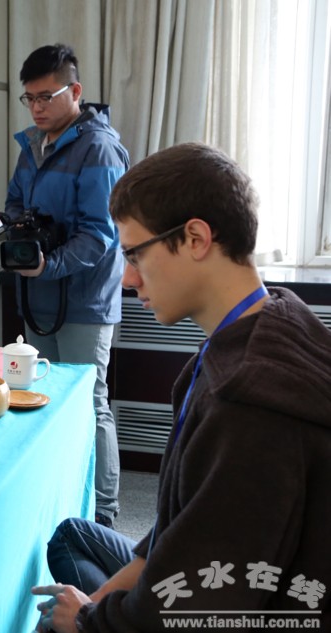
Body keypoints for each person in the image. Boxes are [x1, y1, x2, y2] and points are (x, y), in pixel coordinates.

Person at [33, 142, 331, 632]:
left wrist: (88, 621)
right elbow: (188, 522)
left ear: (195, 238)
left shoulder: (250, 406)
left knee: (54, 620)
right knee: (73, 539)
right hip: (209, 568)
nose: (128, 278)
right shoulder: (271, 318)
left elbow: (209, 607)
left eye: (134, 254)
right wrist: (98, 604)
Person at [5, 43, 129, 527]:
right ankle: (60, 498)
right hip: (39, 295)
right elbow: (15, 205)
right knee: (45, 397)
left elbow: (101, 232)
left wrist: (49, 262)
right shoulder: (31, 146)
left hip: (85, 299)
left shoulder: (99, 148)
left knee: (89, 403)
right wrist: (21, 233)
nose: (36, 108)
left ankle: (104, 512)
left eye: (46, 97)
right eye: (29, 99)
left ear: (74, 91)